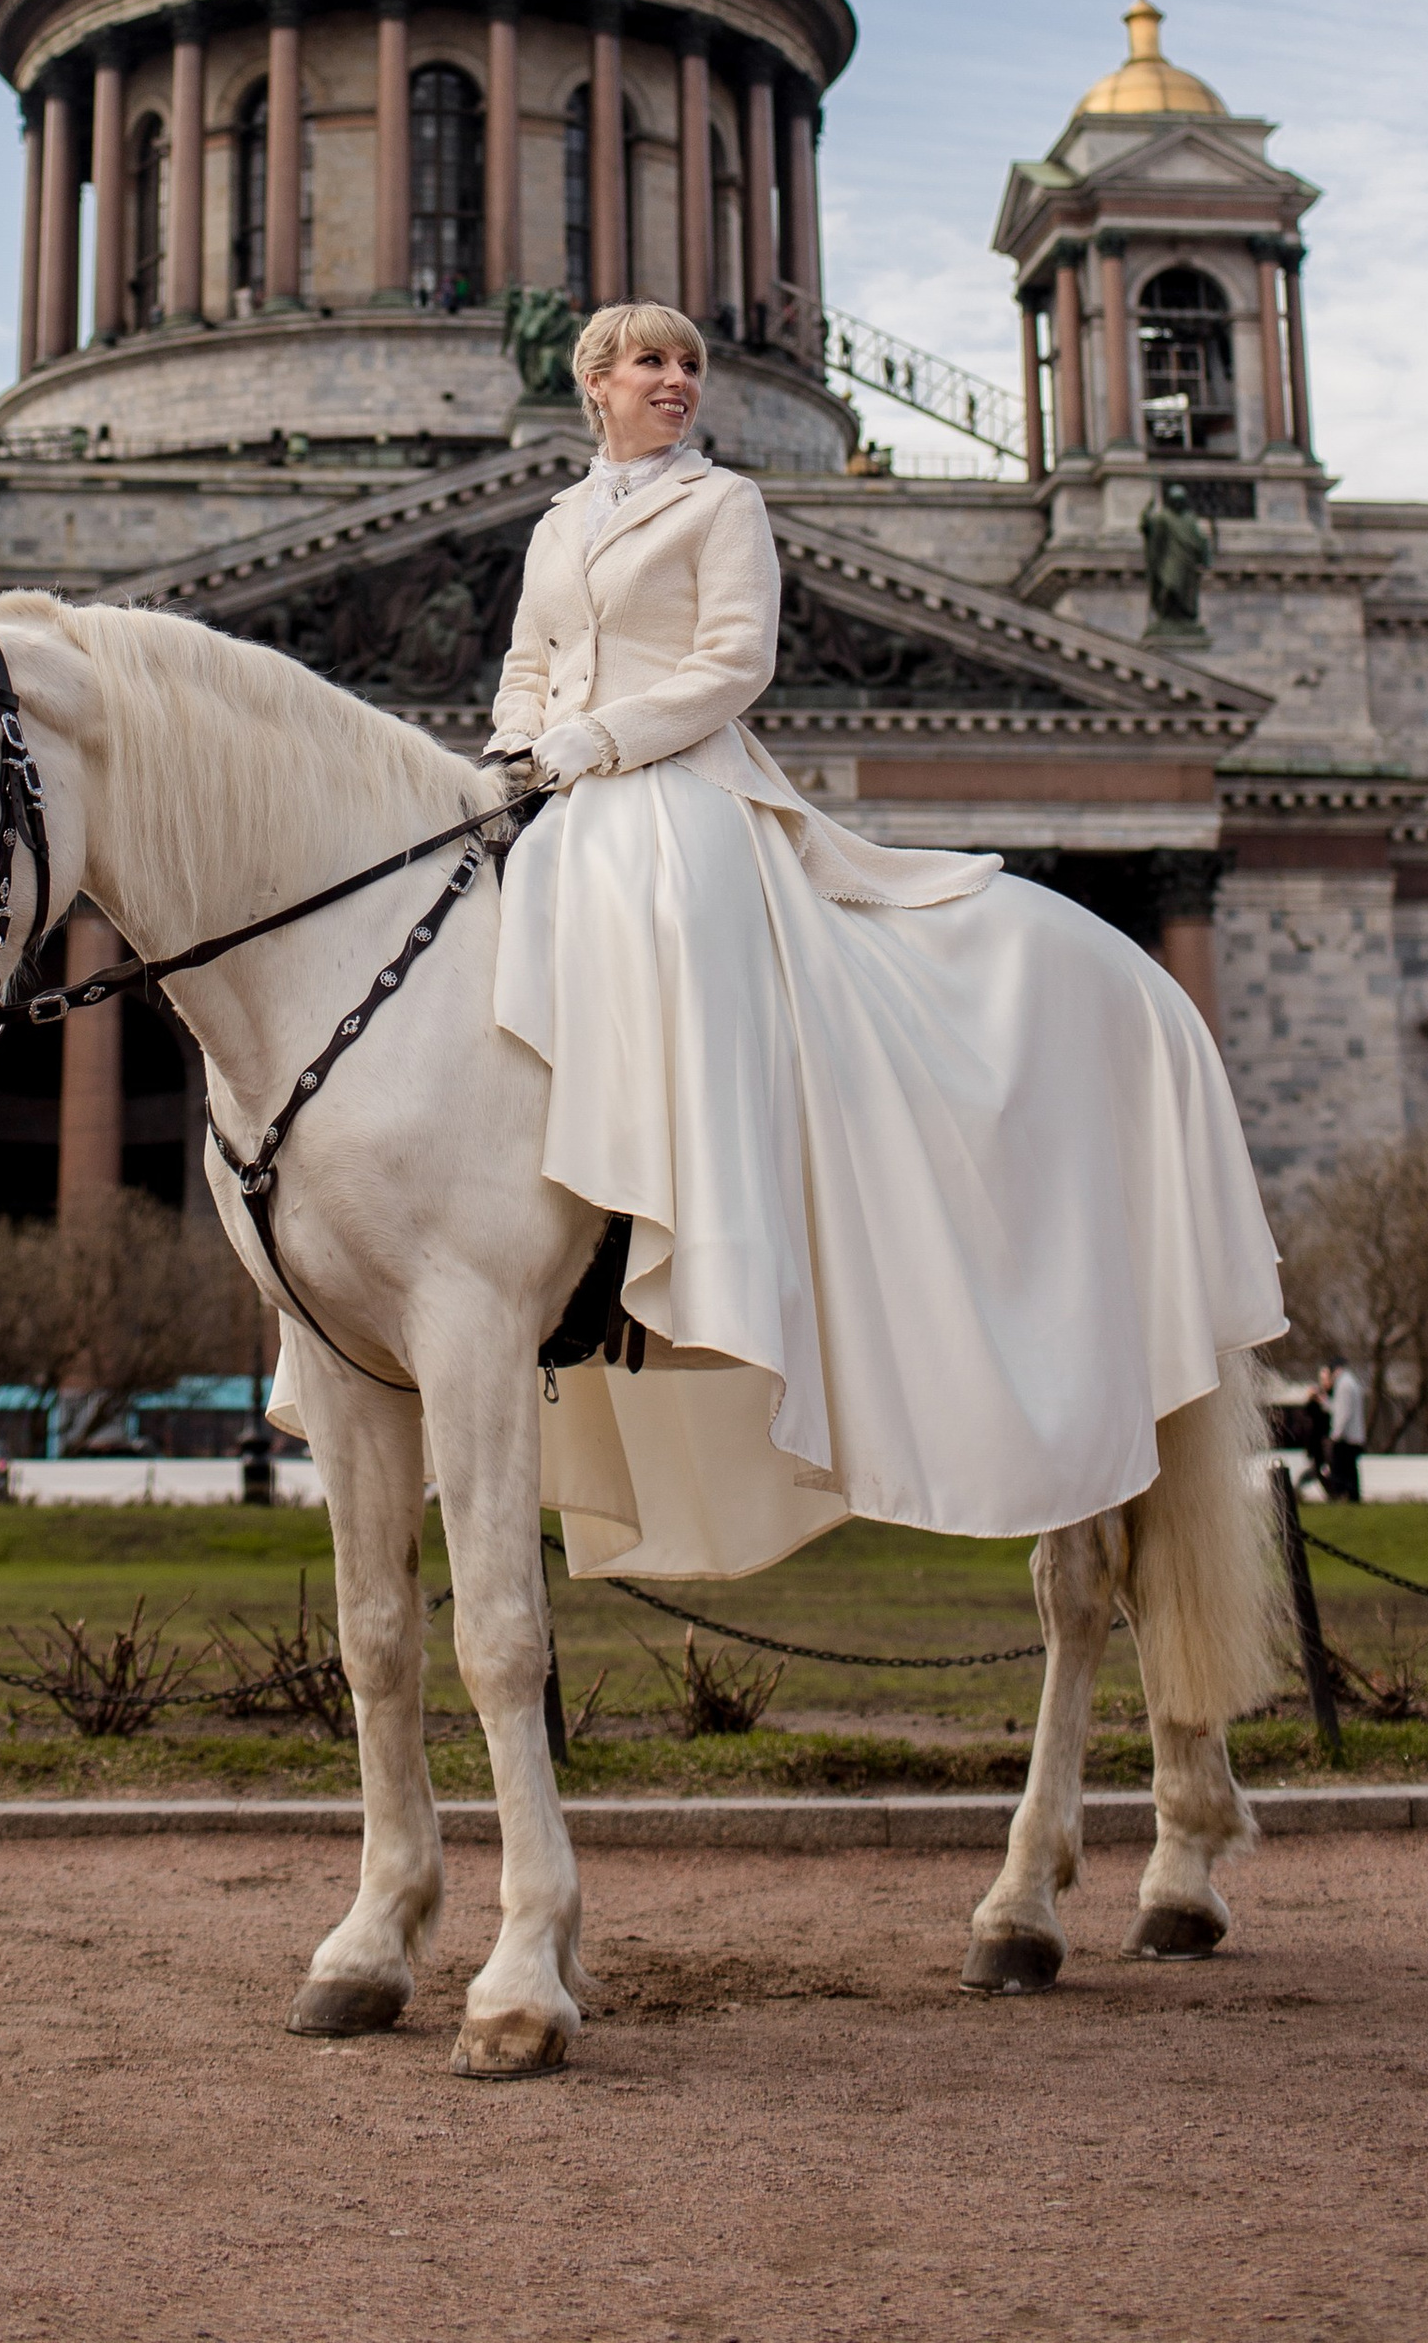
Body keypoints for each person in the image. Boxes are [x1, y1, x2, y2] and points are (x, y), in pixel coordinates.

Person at [485, 302, 1285, 1578]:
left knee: (690, 924)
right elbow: (530, 656)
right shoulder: (553, 523)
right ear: (596, 383)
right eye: (653, 362)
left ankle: (716, 1240)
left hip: (682, 781)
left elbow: (735, 664)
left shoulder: (724, 505)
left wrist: (605, 739)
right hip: (557, 785)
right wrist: (521, 739)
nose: (679, 381)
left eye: (691, 362)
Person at [1321, 1359, 1366, 1502]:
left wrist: (1336, 1434)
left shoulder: (1344, 1385)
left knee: (1344, 1469)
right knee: (1350, 1469)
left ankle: (1346, 1496)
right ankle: (1351, 1497)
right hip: (1352, 1435)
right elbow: (1338, 1408)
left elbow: (1343, 1412)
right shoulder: (1350, 1382)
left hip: (1347, 1436)